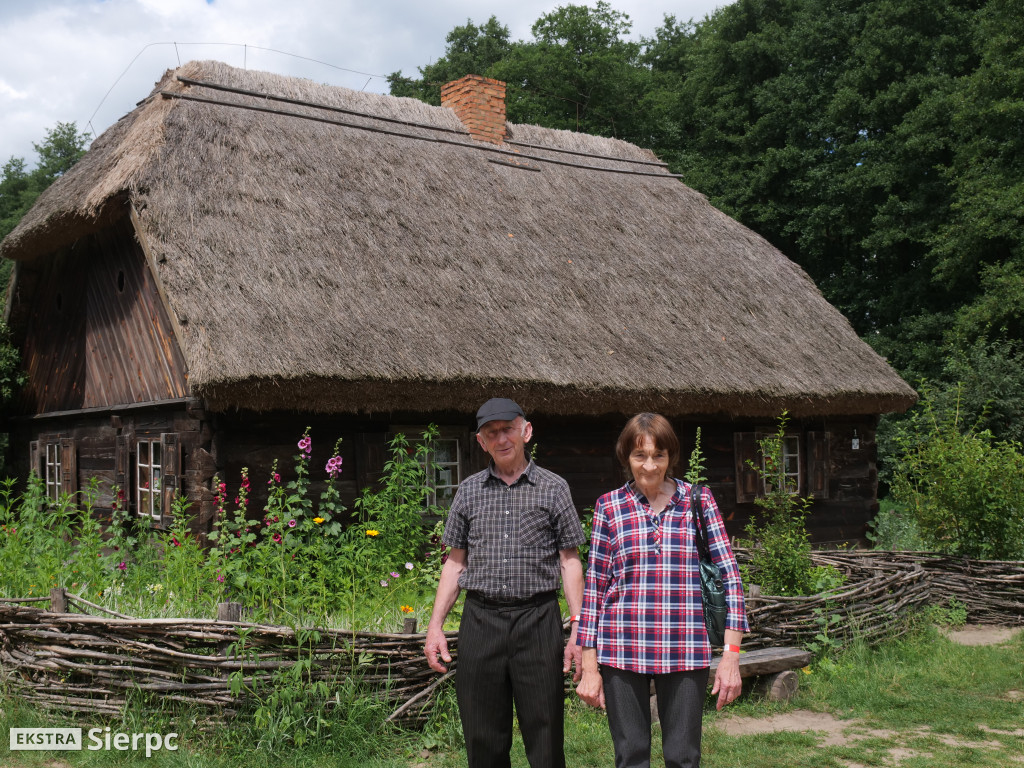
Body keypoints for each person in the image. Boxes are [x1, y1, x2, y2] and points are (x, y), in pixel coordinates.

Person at [575, 412, 749, 768]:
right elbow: (594, 588)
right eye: (640, 455)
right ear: (627, 457)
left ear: (671, 457)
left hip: (685, 648)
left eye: (659, 455)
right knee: (631, 756)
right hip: (622, 650)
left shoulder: (698, 502)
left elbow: (730, 578)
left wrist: (731, 657)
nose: (650, 466)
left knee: (683, 757)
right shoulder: (609, 507)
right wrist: (590, 666)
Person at [424, 397, 586, 768]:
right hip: (481, 623)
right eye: (491, 433)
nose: (501, 439)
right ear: (480, 441)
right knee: (483, 739)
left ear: (526, 431)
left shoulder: (554, 488)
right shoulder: (468, 491)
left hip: (538, 621)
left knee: (545, 737)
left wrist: (579, 629)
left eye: (508, 429)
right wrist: (434, 628)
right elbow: (454, 563)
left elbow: (569, 561)